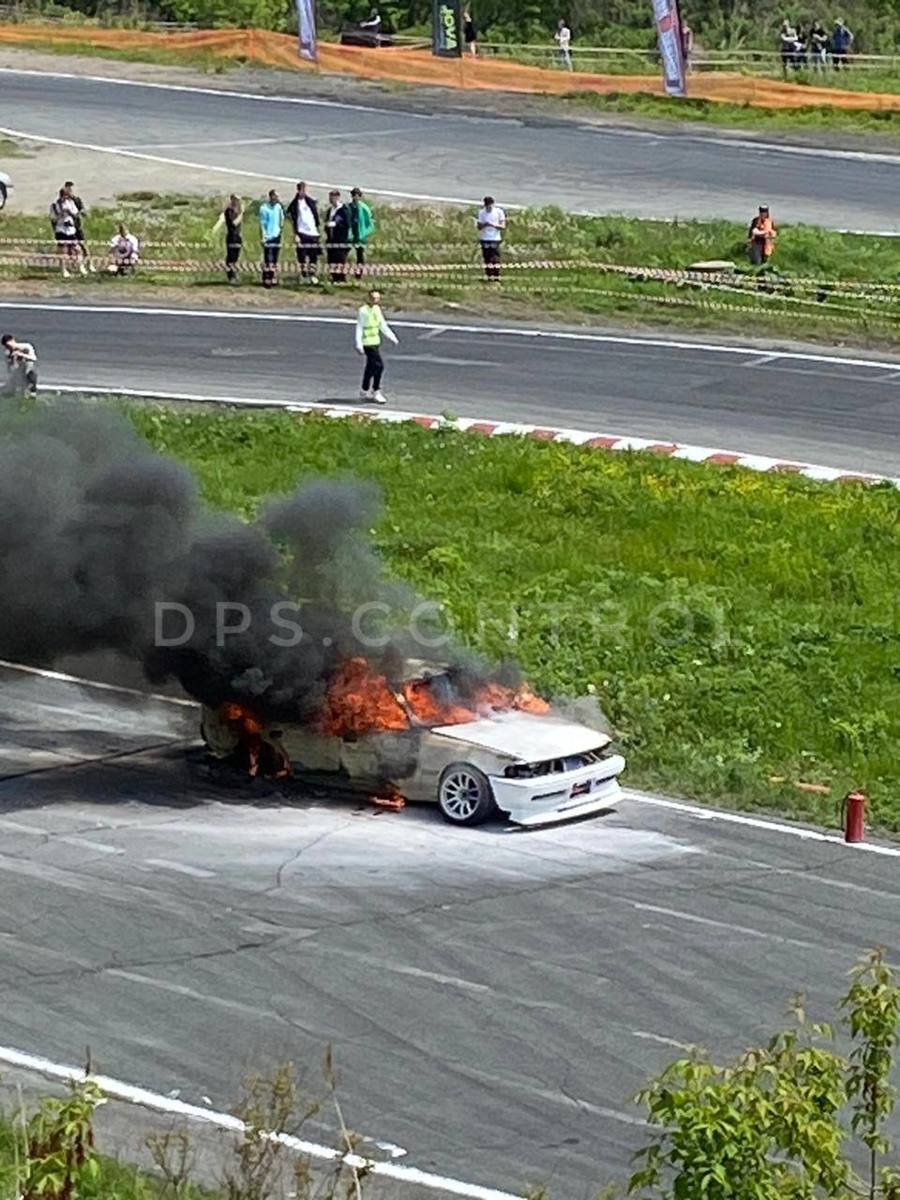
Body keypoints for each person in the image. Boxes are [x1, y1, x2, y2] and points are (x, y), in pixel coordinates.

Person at [355, 288, 398, 405]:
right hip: (367, 343)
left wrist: (392, 337)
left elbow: (382, 325)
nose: (376, 300)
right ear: (368, 298)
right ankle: (376, 390)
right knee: (379, 366)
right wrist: (359, 344)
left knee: (370, 367)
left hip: (375, 341)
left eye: (378, 298)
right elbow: (359, 327)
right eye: (374, 298)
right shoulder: (363, 311)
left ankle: (364, 389)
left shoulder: (377, 309)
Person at [286, 181, 321, 284]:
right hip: (302, 232)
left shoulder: (310, 202)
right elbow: (292, 218)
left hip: (313, 233)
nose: (304, 191)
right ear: (298, 190)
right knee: (302, 255)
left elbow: (315, 216)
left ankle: (312, 275)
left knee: (313, 256)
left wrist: (317, 229)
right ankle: (303, 275)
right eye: (302, 189)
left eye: (305, 189)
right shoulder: (295, 204)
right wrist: (295, 234)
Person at [49, 187, 84, 278]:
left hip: (71, 230)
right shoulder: (55, 205)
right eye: (64, 196)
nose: (65, 198)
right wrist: (61, 214)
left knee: (77, 248)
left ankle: (81, 266)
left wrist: (70, 212)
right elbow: (53, 219)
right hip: (61, 229)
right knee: (63, 251)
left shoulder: (71, 203)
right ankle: (63, 269)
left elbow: (76, 214)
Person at [63, 181, 94, 273]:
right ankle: (71, 265)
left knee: (83, 245)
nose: (69, 191)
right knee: (68, 247)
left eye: (71, 190)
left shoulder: (77, 200)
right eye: (68, 189)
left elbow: (83, 212)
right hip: (67, 228)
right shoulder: (63, 200)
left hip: (77, 226)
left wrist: (78, 213)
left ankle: (90, 264)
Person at [212, 194, 243, 284]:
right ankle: (231, 276)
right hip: (232, 236)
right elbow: (234, 223)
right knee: (231, 257)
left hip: (238, 236)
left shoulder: (237, 210)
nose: (238, 201)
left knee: (236, 257)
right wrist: (241, 214)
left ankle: (234, 275)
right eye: (236, 199)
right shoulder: (229, 210)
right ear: (232, 199)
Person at [476, 195, 506, 282]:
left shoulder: (499, 212)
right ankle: (489, 275)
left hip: (495, 238)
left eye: (490, 206)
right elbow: (479, 226)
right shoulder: (482, 213)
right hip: (485, 238)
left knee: (495, 258)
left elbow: (503, 226)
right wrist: (485, 224)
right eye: (487, 206)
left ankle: (497, 276)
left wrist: (494, 225)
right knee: (487, 258)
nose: (488, 208)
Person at [258, 189, 285, 288]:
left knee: (274, 259)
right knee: (268, 259)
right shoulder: (264, 208)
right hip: (268, 237)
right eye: (276, 196)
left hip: (276, 236)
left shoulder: (278, 207)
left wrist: (280, 232)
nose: (278, 198)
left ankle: (273, 277)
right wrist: (263, 237)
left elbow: (281, 220)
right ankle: (266, 279)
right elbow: (262, 224)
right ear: (271, 196)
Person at [348, 186, 375, 279]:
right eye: (353, 195)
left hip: (361, 235)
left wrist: (364, 233)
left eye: (357, 196)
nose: (355, 197)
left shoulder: (364, 208)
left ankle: (358, 274)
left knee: (360, 255)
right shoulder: (349, 207)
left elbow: (370, 222)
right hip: (350, 234)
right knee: (344, 252)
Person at [324, 189, 350, 283]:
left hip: (341, 240)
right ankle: (334, 277)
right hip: (331, 240)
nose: (331, 199)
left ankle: (341, 278)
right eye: (330, 197)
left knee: (340, 260)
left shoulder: (343, 210)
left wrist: (336, 224)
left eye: (333, 197)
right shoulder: (330, 210)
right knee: (331, 259)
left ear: (337, 197)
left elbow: (347, 224)